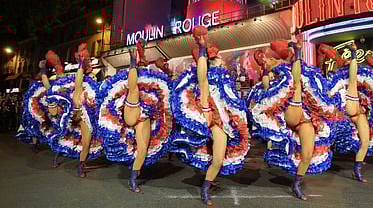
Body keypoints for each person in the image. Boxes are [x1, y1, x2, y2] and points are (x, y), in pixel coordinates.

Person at [249, 40, 342, 200]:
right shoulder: (283, 72)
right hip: (290, 112)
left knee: (307, 154)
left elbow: (312, 76)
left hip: (304, 118)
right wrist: (295, 53)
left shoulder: (308, 75)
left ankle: (296, 183)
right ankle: (280, 148)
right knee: (296, 83)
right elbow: (292, 74)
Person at [169, 25, 249, 206]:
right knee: (218, 157)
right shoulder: (203, 81)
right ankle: (205, 188)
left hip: (224, 116)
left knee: (219, 157)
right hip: (209, 113)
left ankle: (209, 180)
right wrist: (203, 48)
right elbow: (203, 75)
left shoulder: (223, 82)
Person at [98, 39, 173, 193]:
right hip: (131, 109)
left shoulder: (150, 78)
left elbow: (164, 86)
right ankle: (132, 62)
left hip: (144, 115)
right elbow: (133, 86)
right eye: (142, 62)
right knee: (134, 90)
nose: (144, 63)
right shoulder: (136, 82)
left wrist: (149, 60)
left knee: (143, 149)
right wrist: (133, 61)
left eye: (143, 62)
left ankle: (133, 177)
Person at [321, 43, 373, 183]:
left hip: (359, 115)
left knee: (365, 142)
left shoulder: (352, 85)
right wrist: (353, 54)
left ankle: (356, 169)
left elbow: (353, 71)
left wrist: (353, 55)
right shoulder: (338, 88)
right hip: (345, 118)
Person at [46, 44, 103, 175]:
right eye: (87, 66)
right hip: (76, 110)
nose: (90, 67)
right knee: (66, 135)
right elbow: (78, 82)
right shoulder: (78, 87)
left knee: (86, 142)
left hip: (88, 113)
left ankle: (81, 165)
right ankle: (59, 156)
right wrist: (81, 65)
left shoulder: (93, 79)